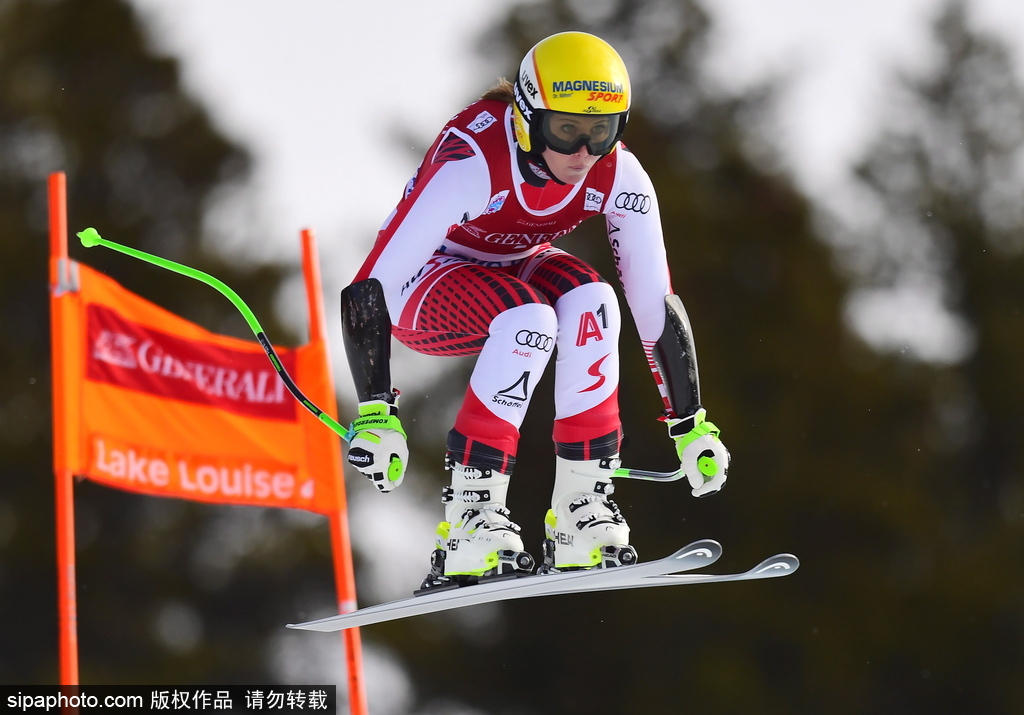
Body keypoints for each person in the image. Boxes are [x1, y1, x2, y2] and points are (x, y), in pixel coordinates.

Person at [340, 31, 729, 590]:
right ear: (527, 116)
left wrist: (690, 424)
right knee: (530, 318)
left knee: (594, 301)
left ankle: (580, 510)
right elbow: (370, 286)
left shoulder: (617, 172)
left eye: (601, 133)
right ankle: (470, 520)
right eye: (565, 130)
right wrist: (376, 411)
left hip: (511, 262)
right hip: (420, 283)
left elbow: (655, 304)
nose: (582, 155)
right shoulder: (474, 162)